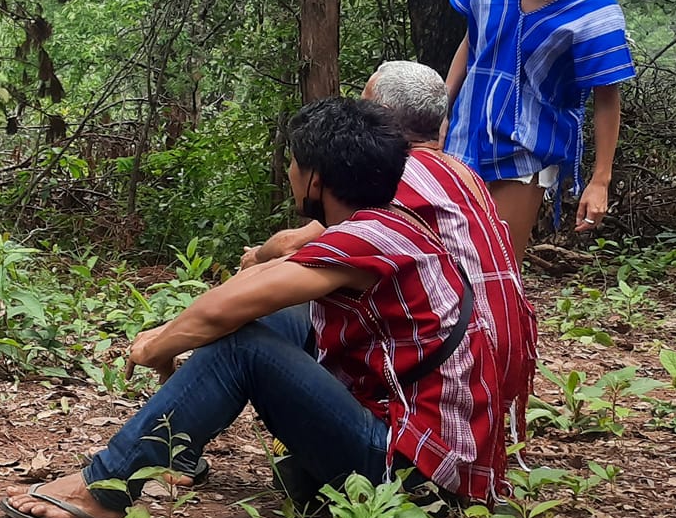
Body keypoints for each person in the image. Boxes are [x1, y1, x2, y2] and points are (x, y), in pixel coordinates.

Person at [0, 98, 507, 518]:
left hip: (412, 470)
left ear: (314, 179)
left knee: (243, 345)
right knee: (265, 324)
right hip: (427, 448)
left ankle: (106, 486)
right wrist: (181, 330)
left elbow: (230, 307)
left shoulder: (366, 238)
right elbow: (259, 283)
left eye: (293, 162)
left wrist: (157, 345)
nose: (288, 171)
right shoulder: (389, 224)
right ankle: (175, 448)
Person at [227, 60, 534, 485]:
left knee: (253, 326)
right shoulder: (463, 173)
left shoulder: (391, 178)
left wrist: (254, 262)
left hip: (439, 393)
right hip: (486, 376)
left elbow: (296, 246)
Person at [443, 0, 634, 261]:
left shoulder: (593, 11)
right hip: (461, 139)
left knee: (492, 267)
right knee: (445, 261)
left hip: (525, 151)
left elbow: (606, 100)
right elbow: (472, 40)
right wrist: (440, 109)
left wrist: (600, 180)